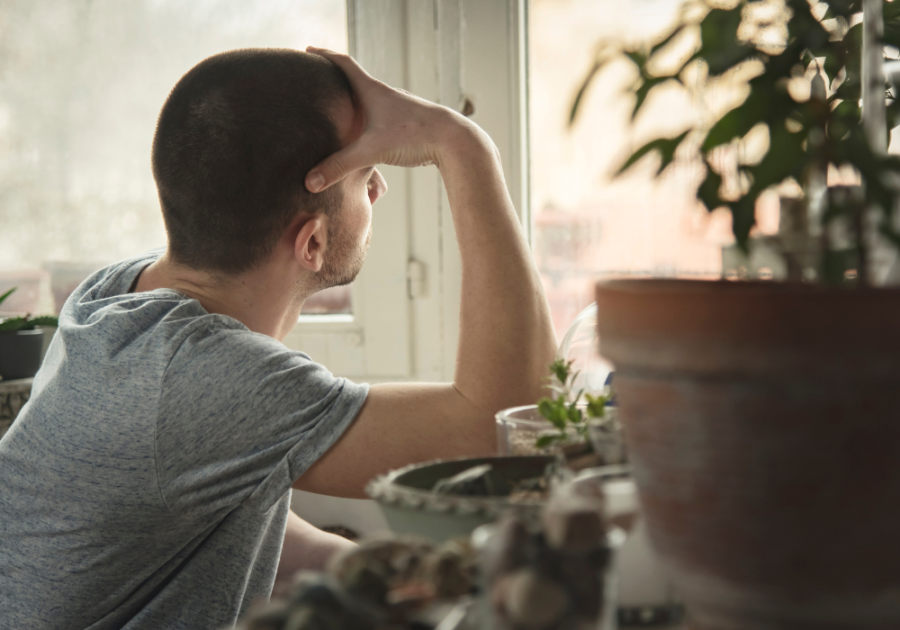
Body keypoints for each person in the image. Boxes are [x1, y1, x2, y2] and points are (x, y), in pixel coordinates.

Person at [0, 47, 556, 629]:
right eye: (365, 174)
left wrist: (371, 570)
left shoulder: (115, 297)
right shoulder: (205, 378)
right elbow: (507, 422)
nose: (379, 191)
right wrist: (463, 145)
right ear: (311, 242)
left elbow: (204, 501)